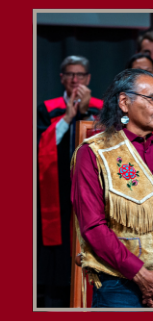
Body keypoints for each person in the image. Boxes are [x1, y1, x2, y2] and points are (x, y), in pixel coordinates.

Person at [71, 68, 153, 308]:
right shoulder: (93, 153)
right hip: (119, 287)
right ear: (124, 102)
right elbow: (93, 226)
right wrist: (142, 276)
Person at [37, 56, 103, 307]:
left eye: (80, 75)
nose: (75, 80)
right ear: (61, 78)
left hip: (92, 189)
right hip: (58, 188)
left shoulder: (101, 107)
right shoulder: (48, 108)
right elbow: (41, 147)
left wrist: (86, 113)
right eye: (70, 75)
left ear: (88, 79)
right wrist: (68, 116)